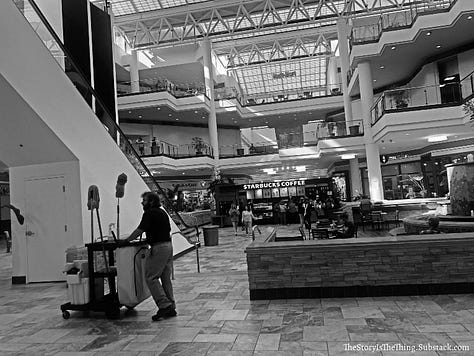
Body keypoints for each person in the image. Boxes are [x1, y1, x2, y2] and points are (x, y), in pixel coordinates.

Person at [122, 192, 176, 321]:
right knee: (165, 278)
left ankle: (164, 305)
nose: (142, 203)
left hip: (159, 248)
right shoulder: (162, 212)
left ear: (151, 201)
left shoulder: (149, 213)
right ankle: (171, 306)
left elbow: (140, 229)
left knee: (151, 277)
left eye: (144, 201)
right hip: (168, 246)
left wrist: (127, 241)